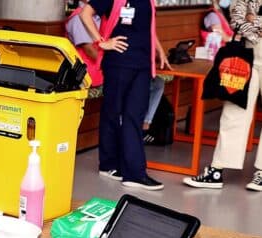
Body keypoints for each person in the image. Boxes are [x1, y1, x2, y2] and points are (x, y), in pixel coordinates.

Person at [80, 0, 171, 190]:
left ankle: (133, 173)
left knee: (134, 117)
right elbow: (85, 14)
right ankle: (108, 164)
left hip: (142, 64)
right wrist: (101, 42)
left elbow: (148, 28)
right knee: (112, 113)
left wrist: (159, 50)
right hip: (118, 63)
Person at [184, 0, 262, 191]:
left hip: (249, 42)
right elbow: (236, 18)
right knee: (234, 109)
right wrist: (252, 23)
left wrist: (252, 20)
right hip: (247, 51)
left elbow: (245, 20)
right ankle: (216, 170)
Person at [65, 0, 165, 143]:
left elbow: (148, 28)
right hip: (92, 72)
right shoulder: (78, 18)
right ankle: (114, 153)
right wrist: (103, 45)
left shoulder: (101, 16)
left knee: (155, 86)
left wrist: (158, 50)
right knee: (114, 110)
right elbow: (91, 50)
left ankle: (142, 129)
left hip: (120, 65)